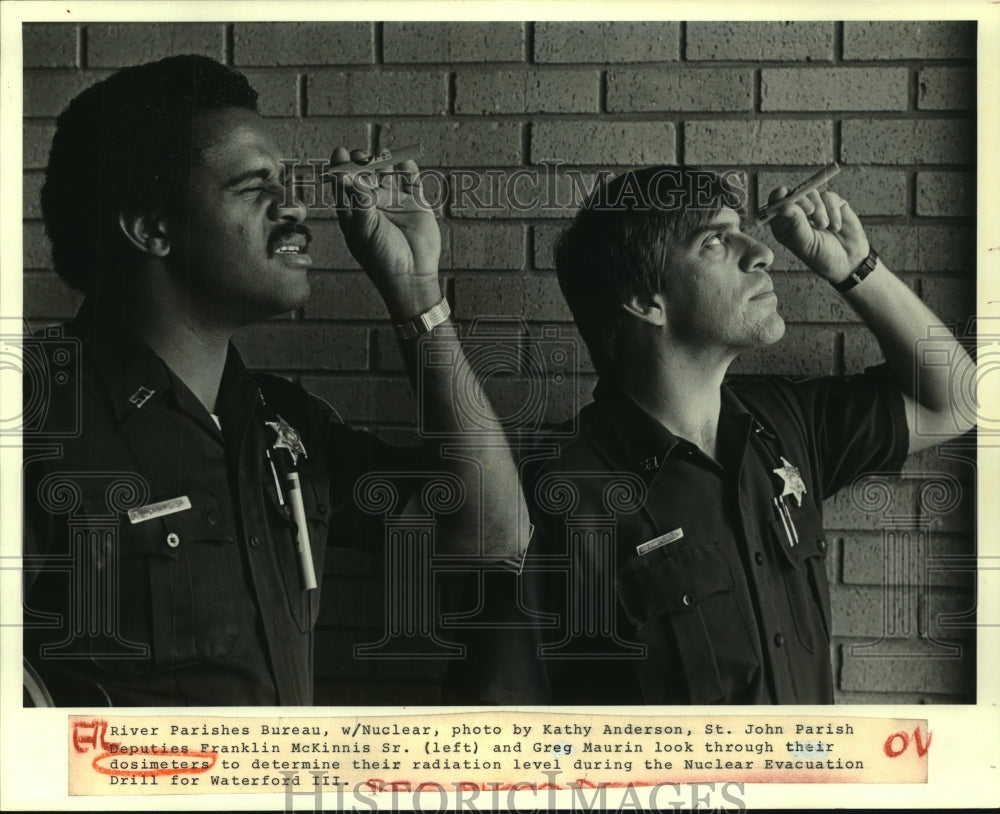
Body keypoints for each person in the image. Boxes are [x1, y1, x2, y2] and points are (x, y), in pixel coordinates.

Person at [22, 55, 528, 706]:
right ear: (152, 227)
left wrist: (415, 292)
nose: (297, 208)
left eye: (288, 181)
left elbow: (491, 533)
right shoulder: (34, 414)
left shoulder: (280, 426)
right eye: (257, 186)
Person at [453, 165, 975, 705]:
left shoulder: (786, 421)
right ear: (644, 301)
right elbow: (499, 735)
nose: (764, 253)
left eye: (741, 231)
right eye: (715, 242)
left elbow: (957, 400)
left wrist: (856, 269)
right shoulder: (552, 494)